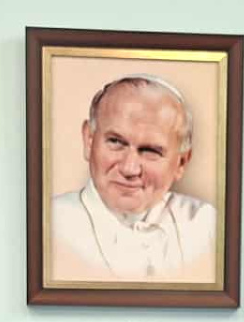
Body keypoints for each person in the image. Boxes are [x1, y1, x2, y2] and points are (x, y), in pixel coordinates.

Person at [50, 75, 217, 283]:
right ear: (89, 140)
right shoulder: (49, 224)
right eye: (116, 142)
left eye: (150, 151)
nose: (130, 169)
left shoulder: (206, 226)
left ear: (181, 163)